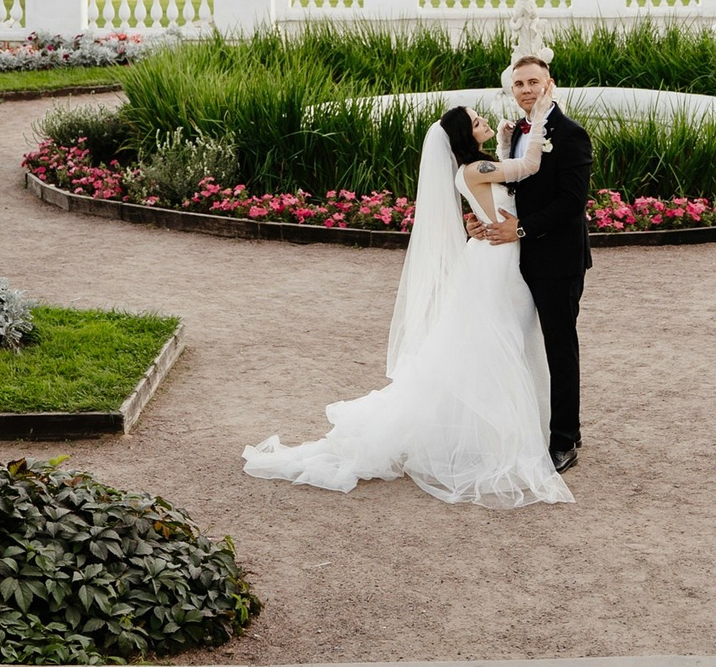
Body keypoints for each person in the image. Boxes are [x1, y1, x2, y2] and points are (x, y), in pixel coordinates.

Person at [243, 106, 572, 507]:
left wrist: (504, 139)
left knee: (503, 341)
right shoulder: (474, 170)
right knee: (503, 341)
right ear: (463, 136)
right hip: (498, 262)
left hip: (495, 252)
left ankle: (510, 428)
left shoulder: (478, 167)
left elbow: (506, 174)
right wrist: (540, 119)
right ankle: (502, 434)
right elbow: (529, 165)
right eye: (475, 122)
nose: (483, 121)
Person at [468, 54, 592, 470]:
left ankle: (564, 440)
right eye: (519, 83)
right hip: (516, 260)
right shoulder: (516, 133)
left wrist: (521, 229)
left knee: (560, 347)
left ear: (549, 84)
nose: (526, 90)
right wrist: (482, 220)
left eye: (533, 82)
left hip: (558, 258)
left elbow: (573, 202)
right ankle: (530, 427)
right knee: (519, 345)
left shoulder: (570, 134)